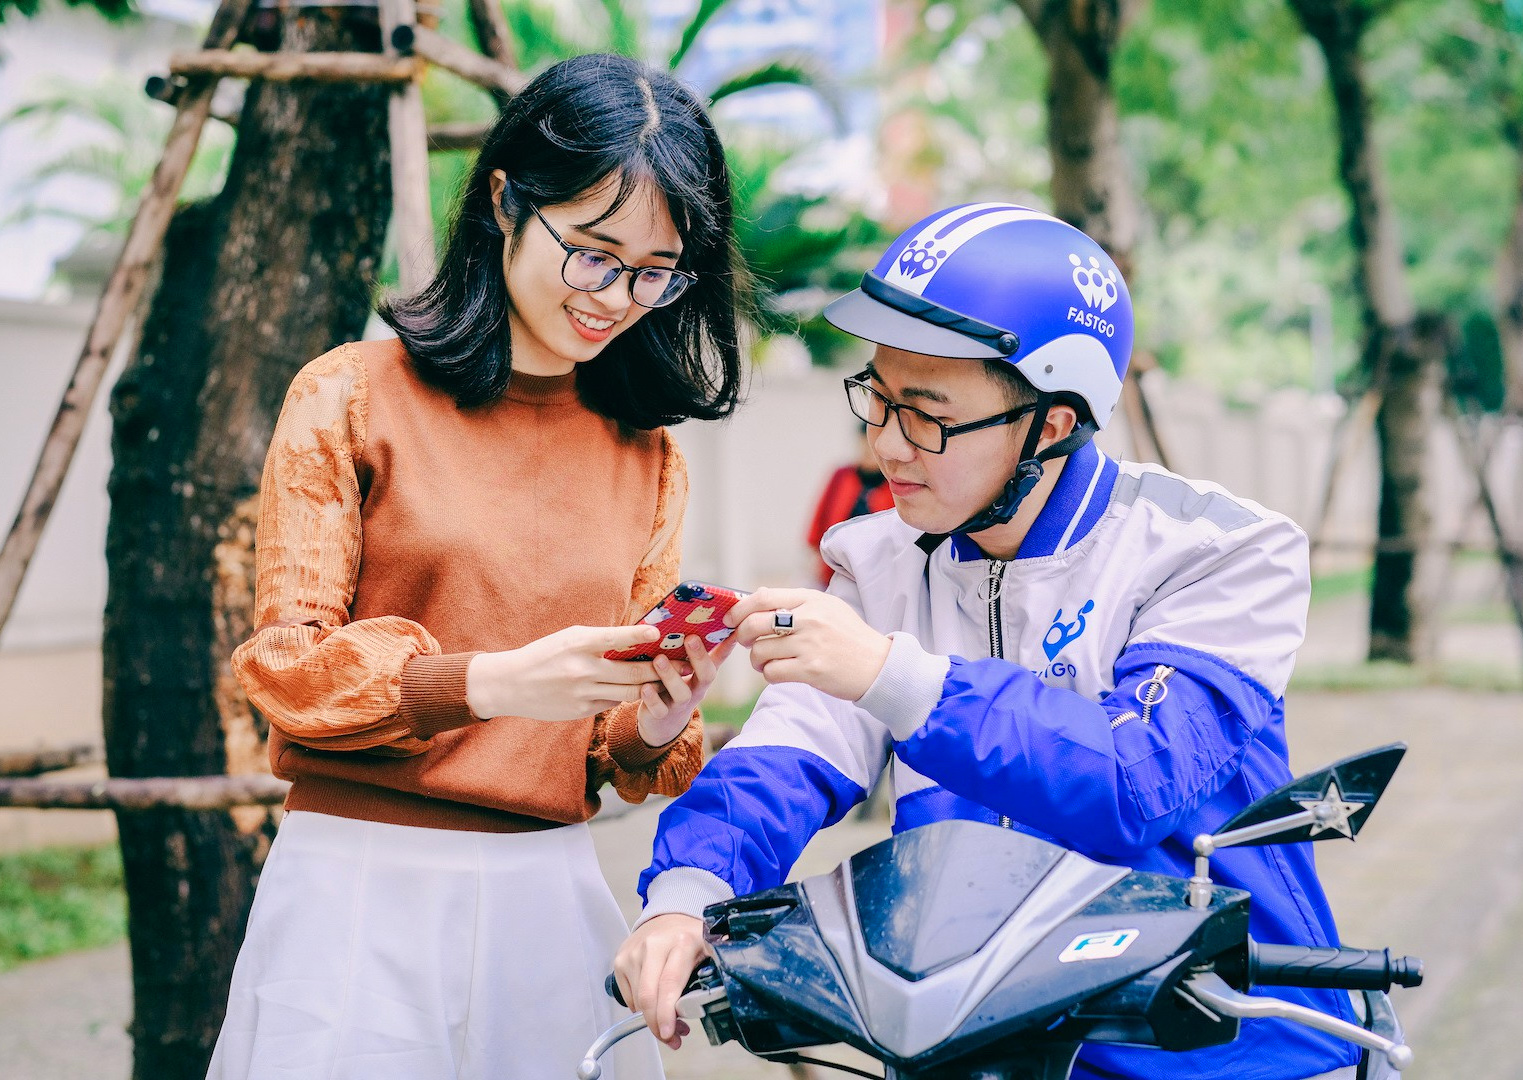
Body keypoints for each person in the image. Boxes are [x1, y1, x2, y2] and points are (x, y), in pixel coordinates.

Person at [616, 205, 1368, 1080]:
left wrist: (891, 675)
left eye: (926, 415)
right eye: (878, 399)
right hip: (971, 1038)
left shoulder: (1217, 551)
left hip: (1224, 1045)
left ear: (1049, 423)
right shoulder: (881, 559)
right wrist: (686, 897)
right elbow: (787, 755)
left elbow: (1134, 782)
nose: (885, 445)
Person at [210, 54, 745, 1080]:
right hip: (356, 892)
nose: (618, 297)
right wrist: (489, 682)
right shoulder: (350, 394)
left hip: (549, 896)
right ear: (505, 201)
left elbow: (616, 754)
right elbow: (288, 670)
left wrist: (660, 713)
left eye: (654, 271)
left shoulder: (647, 455)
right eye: (592, 254)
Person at [804, 424, 893, 586]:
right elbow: (821, 514)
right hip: (835, 567)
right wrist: (816, 550)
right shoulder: (842, 476)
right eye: (863, 446)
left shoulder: (894, 483)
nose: (867, 452)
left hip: (877, 572)